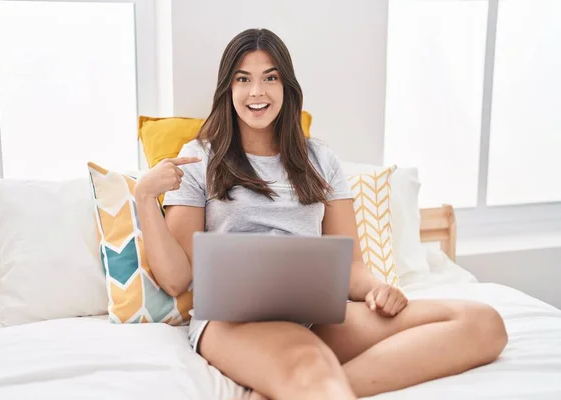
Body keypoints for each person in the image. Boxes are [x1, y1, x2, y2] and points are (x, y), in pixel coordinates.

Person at [134, 28, 508, 400]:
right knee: (309, 363)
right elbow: (177, 279)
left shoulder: (320, 160)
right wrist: (144, 197)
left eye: (270, 78)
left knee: (482, 323)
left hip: (315, 315)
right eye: (243, 79)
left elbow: (351, 265)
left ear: (287, 88)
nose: (257, 92)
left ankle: (308, 390)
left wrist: (378, 288)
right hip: (233, 323)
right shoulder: (200, 158)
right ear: (228, 90)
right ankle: (313, 385)